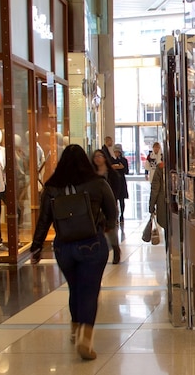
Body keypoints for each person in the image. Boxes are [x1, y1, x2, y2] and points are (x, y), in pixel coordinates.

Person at [30, 145, 117, 360]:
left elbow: (43, 220)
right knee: (89, 291)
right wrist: (105, 225)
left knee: (75, 288)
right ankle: (85, 339)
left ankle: (75, 327)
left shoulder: (51, 187)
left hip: (64, 247)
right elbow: (112, 211)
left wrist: (36, 246)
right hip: (92, 244)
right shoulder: (97, 184)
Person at [92, 148, 124, 264]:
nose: (97, 159)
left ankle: (115, 249)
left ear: (104, 158)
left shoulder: (112, 174)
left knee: (111, 229)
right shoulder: (92, 174)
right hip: (96, 206)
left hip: (110, 205)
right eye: (95, 157)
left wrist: (111, 200)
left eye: (100, 156)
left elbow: (116, 189)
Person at [142, 160, 168, 245]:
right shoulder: (182, 165)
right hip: (176, 205)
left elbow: (155, 189)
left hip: (163, 203)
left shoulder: (160, 168)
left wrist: (151, 205)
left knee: (167, 228)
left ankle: (170, 250)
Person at [110, 143, 130, 221]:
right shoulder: (111, 160)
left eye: (118, 152)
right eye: (115, 152)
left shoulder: (124, 160)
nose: (117, 153)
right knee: (114, 199)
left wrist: (122, 167)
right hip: (114, 181)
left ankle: (122, 215)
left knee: (121, 199)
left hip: (121, 181)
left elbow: (126, 171)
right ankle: (116, 215)